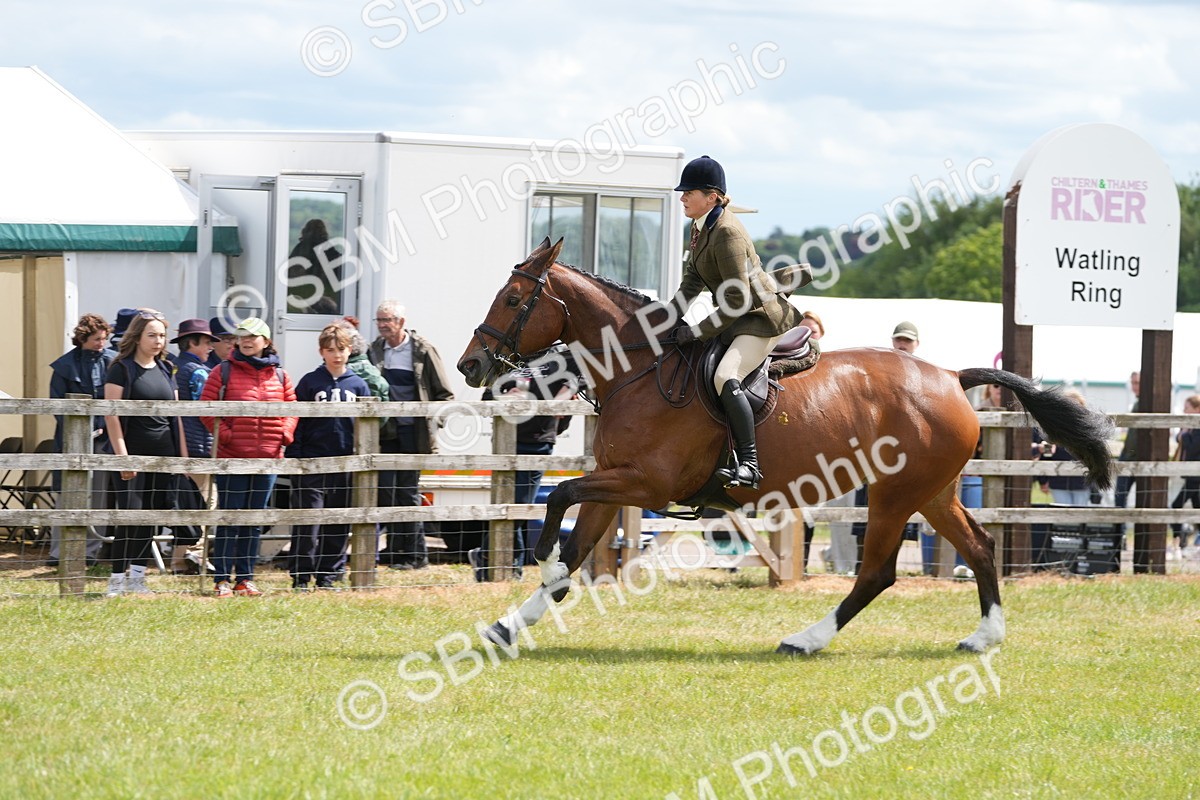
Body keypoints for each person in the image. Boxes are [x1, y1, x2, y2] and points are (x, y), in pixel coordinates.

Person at [668, 155, 802, 489]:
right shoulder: (700, 228)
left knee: (726, 376)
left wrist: (696, 332)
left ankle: (750, 464)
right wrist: (663, 318)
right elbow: (691, 284)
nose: (682, 197)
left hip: (760, 319)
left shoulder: (727, 231)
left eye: (689, 192)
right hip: (734, 319)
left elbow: (737, 299)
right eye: (683, 192)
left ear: (712, 196)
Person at [200, 317, 297, 597]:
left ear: (265, 341)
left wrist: (284, 435)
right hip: (232, 458)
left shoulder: (280, 375)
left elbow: (292, 408)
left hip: (268, 459)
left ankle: (245, 578)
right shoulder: (223, 371)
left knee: (253, 521)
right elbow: (207, 408)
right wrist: (228, 436)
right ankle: (221, 579)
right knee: (230, 518)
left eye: (252, 336)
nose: (245, 341)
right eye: (241, 336)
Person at [103, 309, 186, 597]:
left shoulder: (166, 369)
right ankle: (116, 580)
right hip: (131, 453)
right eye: (152, 335)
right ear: (137, 337)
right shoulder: (121, 368)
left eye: (162, 335)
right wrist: (123, 456)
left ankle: (138, 579)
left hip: (163, 455)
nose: (158, 341)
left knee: (150, 518)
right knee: (128, 518)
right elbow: (111, 415)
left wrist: (183, 457)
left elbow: (176, 417)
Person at [471, 356, 575, 580]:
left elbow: (582, 376)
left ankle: (494, 562)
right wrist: (504, 396)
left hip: (539, 442)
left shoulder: (559, 357)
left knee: (518, 506)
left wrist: (563, 396)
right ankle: (504, 567)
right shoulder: (507, 358)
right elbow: (486, 398)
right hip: (505, 442)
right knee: (504, 504)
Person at [369, 301, 456, 570]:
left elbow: (444, 394)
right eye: (379, 320)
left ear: (401, 322)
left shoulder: (422, 350)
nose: (383, 325)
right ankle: (395, 554)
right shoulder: (374, 350)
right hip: (385, 432)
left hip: (412, 432)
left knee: (407, 493)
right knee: (386, 493)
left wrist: (434, 423)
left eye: (388, 320)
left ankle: (416, 556)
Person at [287, 325, 371, 589]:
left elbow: (366, 427)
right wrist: (296, 456)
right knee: (308, 522)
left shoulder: (358, 385)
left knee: (337, 522)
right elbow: (296, 420)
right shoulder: (310, 382)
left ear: (350, 351)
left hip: (345, 463)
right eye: (330, 350)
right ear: (321, 352)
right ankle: (301, 576)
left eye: (341, 349)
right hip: (312, 462)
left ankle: (328, 575)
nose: (336, 355)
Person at [47, 313, 114, 567]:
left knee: (98, 495)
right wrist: (78, 433)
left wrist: (101, 430)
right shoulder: (64, 366)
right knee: (66, 495)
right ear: (83, 338)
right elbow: (56, 404)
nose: (101, 343)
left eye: (104, 339)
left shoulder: (111, 362)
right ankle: (58, 552)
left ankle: (90, 551)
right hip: (69, 440)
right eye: (97, 339)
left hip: (103, 440)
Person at [170, 318, 219, 573]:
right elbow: (207, 409)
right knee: (207, 501)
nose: (210, 347)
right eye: (207, 342)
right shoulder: (199, 371)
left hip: (178, 443)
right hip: (199, 445)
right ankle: (196, 553)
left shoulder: (173, 368)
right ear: (193, 343)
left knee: (187, 502)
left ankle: (179, 561)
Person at [1037, 390, 1092, 506]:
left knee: (1080, 516)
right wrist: (1043, 480)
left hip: (1081, 483)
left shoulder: (1088, 431)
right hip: (1058, 483)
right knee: (1062, 517)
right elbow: (1046, 454)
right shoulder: (1052, 430)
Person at [287, 219, 343, 314]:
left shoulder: (300, 249)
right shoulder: (329, 250)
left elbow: (291, 276)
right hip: (321, 299)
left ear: (305, 231)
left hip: (306, 298)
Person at [1170, 395, 1200, 556]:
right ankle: (1183, 538)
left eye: (1187, 408)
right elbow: (1179, 438)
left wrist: (1184, 435)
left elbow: (1193, 447)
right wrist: (1183, 434)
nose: (1184, 411)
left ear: (1197, 409)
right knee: (1197, 508)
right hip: (1191, 475)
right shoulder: (1191, 427)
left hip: (1196, 476)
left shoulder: (1197, 426)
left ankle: (1180, 538)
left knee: (1176, 506)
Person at [1114, 371, 1140, 511]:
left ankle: (1119, 531)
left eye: (1137, 383)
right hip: (1130, 454)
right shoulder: (1138, 403)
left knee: (1120, 496)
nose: (1134, 386)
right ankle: (1120, 531)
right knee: (1120, 496)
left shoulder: (1142, 403)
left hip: (1134, 456)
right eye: (1133, 382)